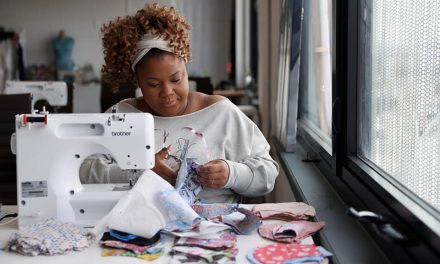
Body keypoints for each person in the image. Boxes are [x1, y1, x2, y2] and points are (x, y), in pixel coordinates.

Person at [81, 3, 279, 203]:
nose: (167, 92)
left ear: (187, 68)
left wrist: (232, 173)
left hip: (215, 227)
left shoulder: (221, 113)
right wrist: (138, 172)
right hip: (143, 226)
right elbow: (84, 170)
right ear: (137, 81)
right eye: (153, 84)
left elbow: (268, 174)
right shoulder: (121, 116)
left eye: (176, 79)